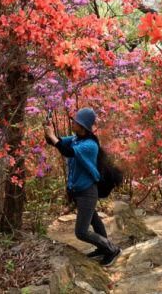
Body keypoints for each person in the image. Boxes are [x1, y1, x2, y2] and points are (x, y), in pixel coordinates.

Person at [43, 107, 121, 267]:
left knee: (81, 232)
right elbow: (55, 142)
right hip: (79, 191)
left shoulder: (90, 145)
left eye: (76, 121)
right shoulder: (75, 139)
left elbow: (68, 152)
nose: (73, 122)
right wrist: (48, 132)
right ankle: (102, 248)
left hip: (87, 192)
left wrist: (52, 136)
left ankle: (112, 249)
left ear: (83, 125)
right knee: (94, 219)